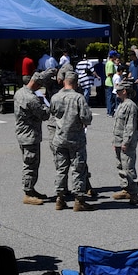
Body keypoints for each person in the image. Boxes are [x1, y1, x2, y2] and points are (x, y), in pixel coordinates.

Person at [49, 72, 95, 212]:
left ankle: (60, 198)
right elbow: (86, 118)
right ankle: (79, 200)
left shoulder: (55, 97)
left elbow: (52, 113)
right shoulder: (78, 98)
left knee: (61, 169)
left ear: (64, 82)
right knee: (78, 169)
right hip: (76, 139)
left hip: (59, 137)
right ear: (75, 83)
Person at [14, 69, 55, 205]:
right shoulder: (31, 98)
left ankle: (31, 190)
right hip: (30, 135)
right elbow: (44, 115)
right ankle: (28, 192)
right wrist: (48, 103)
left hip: (23, 133)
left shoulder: (20, 92)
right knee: (31, 164)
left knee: (31, 162)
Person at [111, 80, 138, 205]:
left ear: (124, 91)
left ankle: (133, 193)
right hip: (118, 140)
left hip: (126, 142)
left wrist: (125, 142)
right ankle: (125, 189)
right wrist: (115, 141)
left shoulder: (130, 105)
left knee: (128, 166)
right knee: (120, 166)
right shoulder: (122, 104)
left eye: (118, 90)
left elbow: (130, 126)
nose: (116, 93)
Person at [104, 50, 119, 117]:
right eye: (115, 56)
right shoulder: (111, 64)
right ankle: (110, 111)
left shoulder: (108, 63)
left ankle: (109, 111)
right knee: (111, 98)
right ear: (112, 56)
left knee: (109, 97)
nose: (116, 57)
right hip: (110, 82)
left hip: (108, 82)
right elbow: (109, 73)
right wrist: (115, 74)